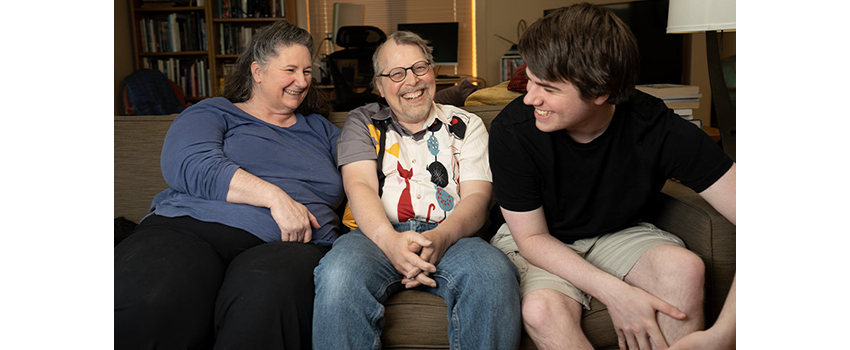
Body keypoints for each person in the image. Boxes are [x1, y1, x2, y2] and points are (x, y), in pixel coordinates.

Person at [487, 3, 736, 350]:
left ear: (599, 92)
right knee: (542, 311)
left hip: (618, 233)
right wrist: (615, 292)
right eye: (530, 80)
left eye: (549, 88)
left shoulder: (655, 125)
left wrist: (722, 336)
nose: (530, 98)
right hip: (540, 239)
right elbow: (531, 239)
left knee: (685, 270)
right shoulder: (511, 132)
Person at [114, 20, 343, 350]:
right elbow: (188, 163)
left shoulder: (323, 130)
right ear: (258, 71)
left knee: (264, 305)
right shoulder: (215, 111)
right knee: (150, 300)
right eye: (290, 69)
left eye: (308, 71)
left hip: (287, 246)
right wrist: (275, 198)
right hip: (186, 228)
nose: (301, 81)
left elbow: (366, 173)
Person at [312, 30, 522, 350]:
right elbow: (360, 186)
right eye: (396, 74)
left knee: (494, 275)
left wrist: (441, 237)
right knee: (338, 275)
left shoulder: (466, 124)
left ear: (432, 71)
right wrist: (391, 243)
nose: (412, 81)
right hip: (375, 237)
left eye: (419, 68)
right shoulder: (362, 122)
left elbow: (478, 199)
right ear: (380, 87)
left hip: (453, 236)